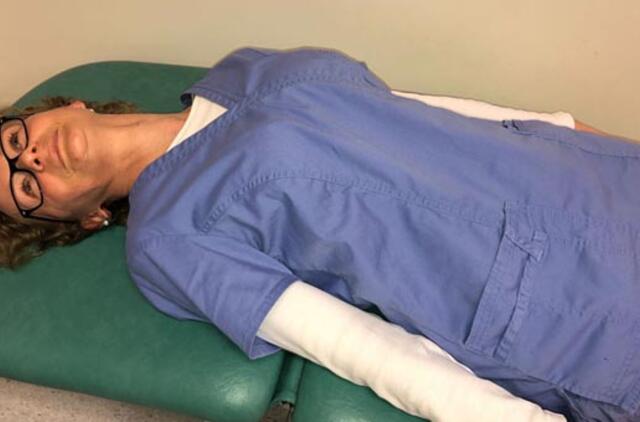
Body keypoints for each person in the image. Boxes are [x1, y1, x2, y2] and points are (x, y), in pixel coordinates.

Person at [1, 47, 639, 421]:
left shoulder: (241, 70)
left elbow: (418, 110)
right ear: (86, 219)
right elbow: (354, 345)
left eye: (11, 141)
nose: (29, 159)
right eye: (26, 189)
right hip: (559, 307)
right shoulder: (167, 241)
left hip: (577, 178)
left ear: (67, 106)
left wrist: (564, 128)